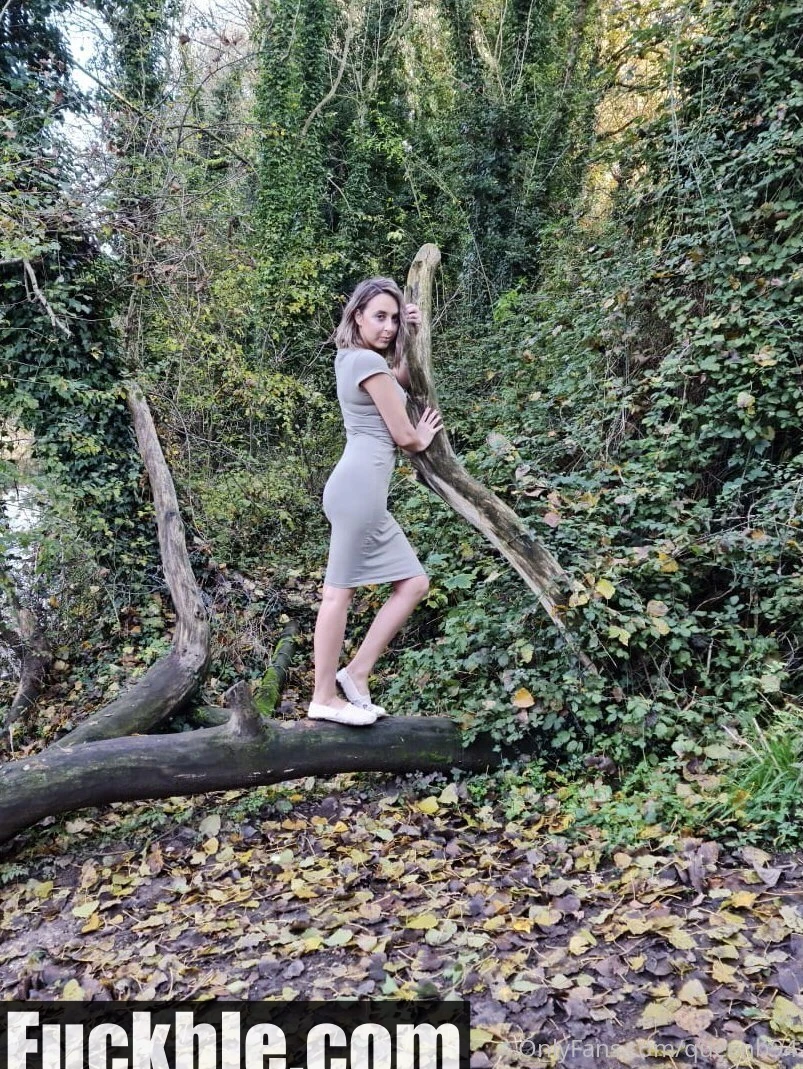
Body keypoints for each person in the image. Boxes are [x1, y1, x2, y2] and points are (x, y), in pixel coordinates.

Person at [308, 276, 444, 726]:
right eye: (379, 317)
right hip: (359, 491)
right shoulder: (366, 361)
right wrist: (420, 436)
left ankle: (356, 673)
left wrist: (414, 332)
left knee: (414, 583)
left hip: (358, 489)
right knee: (337, 595)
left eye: (394, 319)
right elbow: (405, 435)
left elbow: (399, 380)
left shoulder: (352, 359)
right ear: (357, 316)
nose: (388, 327)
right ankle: (323, 696)